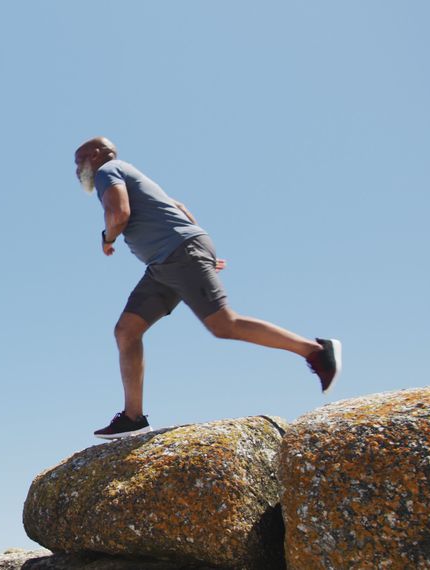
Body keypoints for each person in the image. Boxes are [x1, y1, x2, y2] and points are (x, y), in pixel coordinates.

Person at [74, 136, 341, 439]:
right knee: (127, 331)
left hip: (176, 255)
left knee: (223, 324)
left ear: (95, 155)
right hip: (167, 264)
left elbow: (119, 214)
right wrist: (199, 245)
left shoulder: (108, 171)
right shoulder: (130, 172)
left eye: (78, 160)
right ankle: (133, 418)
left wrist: (107, 239)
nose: (76, 169)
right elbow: (179, 207)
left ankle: (317, 351)